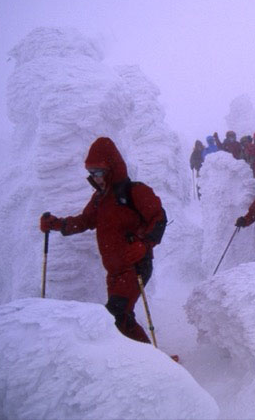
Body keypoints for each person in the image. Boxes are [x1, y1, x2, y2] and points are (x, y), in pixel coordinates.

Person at [39, 137, 166, 344]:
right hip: (114, 271)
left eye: (99, 172)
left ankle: (149, 360)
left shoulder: (135, 191)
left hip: (136, 266)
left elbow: (159, 218)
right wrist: (56, 224)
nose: (95, 178)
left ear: (112, 168)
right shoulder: (99, 199)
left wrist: (144, 245)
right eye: (91, 173)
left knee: (115, 315)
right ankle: (141, 357)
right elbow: (84, 221)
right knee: (122, 318)